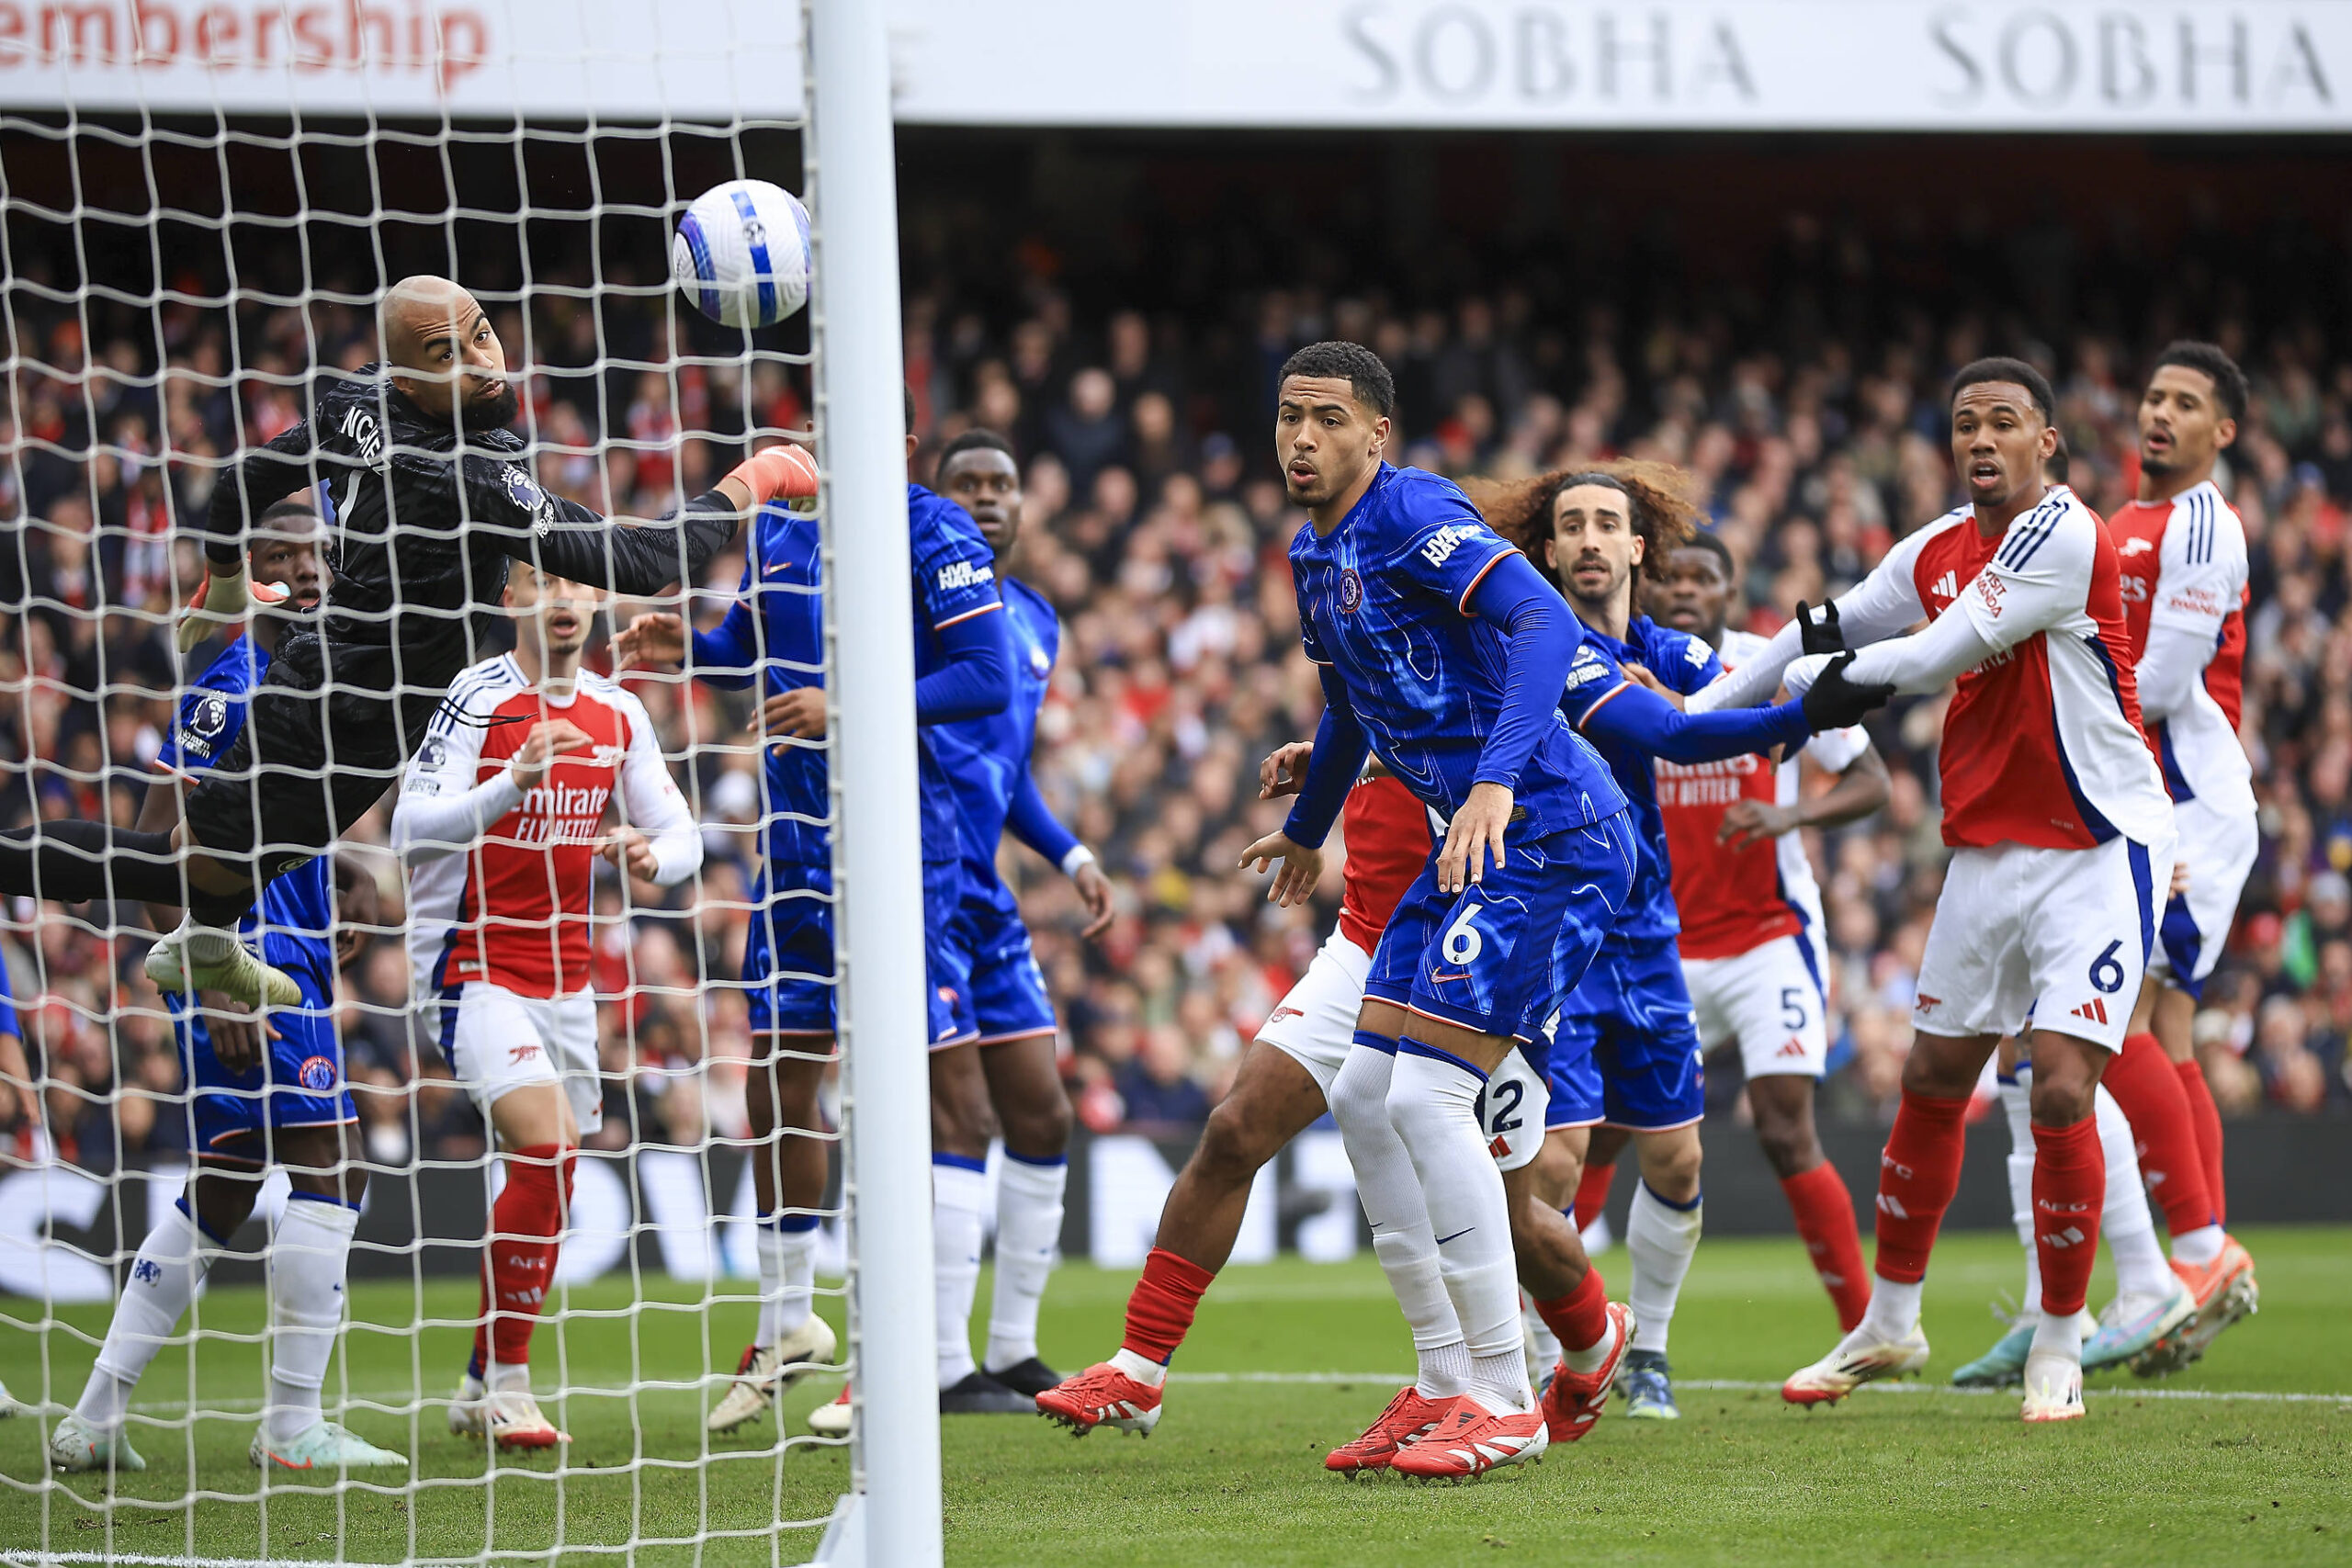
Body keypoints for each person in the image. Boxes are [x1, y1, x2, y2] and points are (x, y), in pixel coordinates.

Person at [0, 276, 811, 1008]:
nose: (481, 359)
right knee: (173, 863)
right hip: (338, 717)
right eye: (444, 353)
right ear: (408, 376)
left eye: (481, 333)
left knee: (224, 859)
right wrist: (763, 474)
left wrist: (219, 583)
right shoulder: (461, 478)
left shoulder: (357, 402)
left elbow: (241, 478)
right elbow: (643, 559)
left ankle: (208, 944)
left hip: (350, 688)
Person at [1698, 358, 2177, 1423]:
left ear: (2045, 443)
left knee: (2057, 1088)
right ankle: (1891, 1320)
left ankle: (2060, 1336)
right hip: (1986, 853)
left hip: (2096, 848)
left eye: (2004, 422)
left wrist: (1802, 702)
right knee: (1928, 1081)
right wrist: (1699, 718)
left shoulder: (2061, 534)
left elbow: (1924, 659)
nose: (1980, 439)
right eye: (1964, 424)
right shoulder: (1934, 548)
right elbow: (1823, 629)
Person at [615, 392, 1014, 1433]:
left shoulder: (935, 531)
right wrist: (688, 645)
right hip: (791, 847)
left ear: (906, 445)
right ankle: (787, 1321)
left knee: (897, 1090)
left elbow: (988, 674)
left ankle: (895, 1360)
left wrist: (852, 703)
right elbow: (751, 641)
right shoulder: (781, 531)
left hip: (893, 848)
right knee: (776, 1080)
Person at [1035, 759, 1578, 1474]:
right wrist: (1320, 793)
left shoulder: (1494, 647)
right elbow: (1364, 711)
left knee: (1519, 1200)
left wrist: (1354, 754)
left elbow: (1498, 724)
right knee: (1236, 1128)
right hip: (1364, 940)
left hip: (1473, 933)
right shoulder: (1341, 648)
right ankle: (1140, 1366)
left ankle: (1592, 1344)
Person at [50, 502, 403, 1474]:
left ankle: (93, 1418)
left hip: (278, 957)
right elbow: (164, 837)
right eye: (284, 555)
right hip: (245, 970)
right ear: (251, 574)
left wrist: (345, 869)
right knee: (334, 1163)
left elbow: (274, 822)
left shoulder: (300, 682)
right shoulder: (229, 686)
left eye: (319, 552)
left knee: (228, 1181)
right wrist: (215, 986)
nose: (311, 569)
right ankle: (291, 1424)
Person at [393, 562, 701, 1449]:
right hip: (469, 963)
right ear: (511, 598)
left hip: (567, 980)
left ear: (601, 600)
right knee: (548, 1142)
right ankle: (511, 1388)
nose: (564, 600)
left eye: (579, 585)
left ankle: (478, 1377)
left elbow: (684, 833)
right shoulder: (474, 695)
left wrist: (651, 855)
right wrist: (510, 787)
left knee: (553, 1171)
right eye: (542, 582)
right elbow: (409, 830)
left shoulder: (618, 710)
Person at [1646, 532, 1889, 1338]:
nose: (1685, 589)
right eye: (1671, 577)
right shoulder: (1616, 669)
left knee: (1786, 1128)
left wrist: (1790, 812)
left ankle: (1868, 1331)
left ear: (1728, 588)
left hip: (1766, 937)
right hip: (1663, 943)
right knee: (1609, 1131)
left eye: (1702, 577)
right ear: (1648, 588)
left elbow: (1871, 780)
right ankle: (1600, 1345)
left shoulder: (1773, 664)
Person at [920, 430, 1114, 1402]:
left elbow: (1005, 773)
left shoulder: (1035, 619)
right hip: (917, 879)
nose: (988, 499)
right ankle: (944, 1365)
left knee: (1041, 1110)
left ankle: (1008, 1349)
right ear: (936, 500)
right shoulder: (913, 602)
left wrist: (1070, 853)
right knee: (963, 1115)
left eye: (1003, 484)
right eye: (968, 485)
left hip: (989, 882)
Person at [2090, 341, 2260, 1371]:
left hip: (2186, 804)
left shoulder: (2204, 521)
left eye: (2185, 404)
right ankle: (2205, 1261)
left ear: (2221, 433)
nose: (2159, 415)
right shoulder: (2123, 523)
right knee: (2171, 1032)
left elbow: (2158, 679)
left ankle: (2197, 1248)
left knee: (2111, 1026)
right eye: (2152, 397)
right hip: (2151, 798)